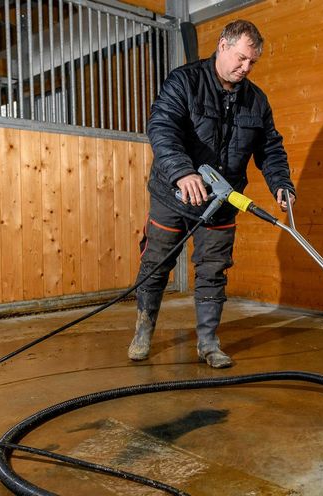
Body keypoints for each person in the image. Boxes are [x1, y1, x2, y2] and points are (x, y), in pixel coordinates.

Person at [128, 19, 295, 368]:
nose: (245, 67)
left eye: (252, 62)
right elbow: (162, 127)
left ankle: (207, 342)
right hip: (172, 195)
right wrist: (181, 172)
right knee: (155, 263)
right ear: (222, 46)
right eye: (240, 58)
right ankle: (143, 330)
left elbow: (270, 149)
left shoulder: (256, 100)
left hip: (222, 200)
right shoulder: (183, 82)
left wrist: (281, 183)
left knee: (213, 270)